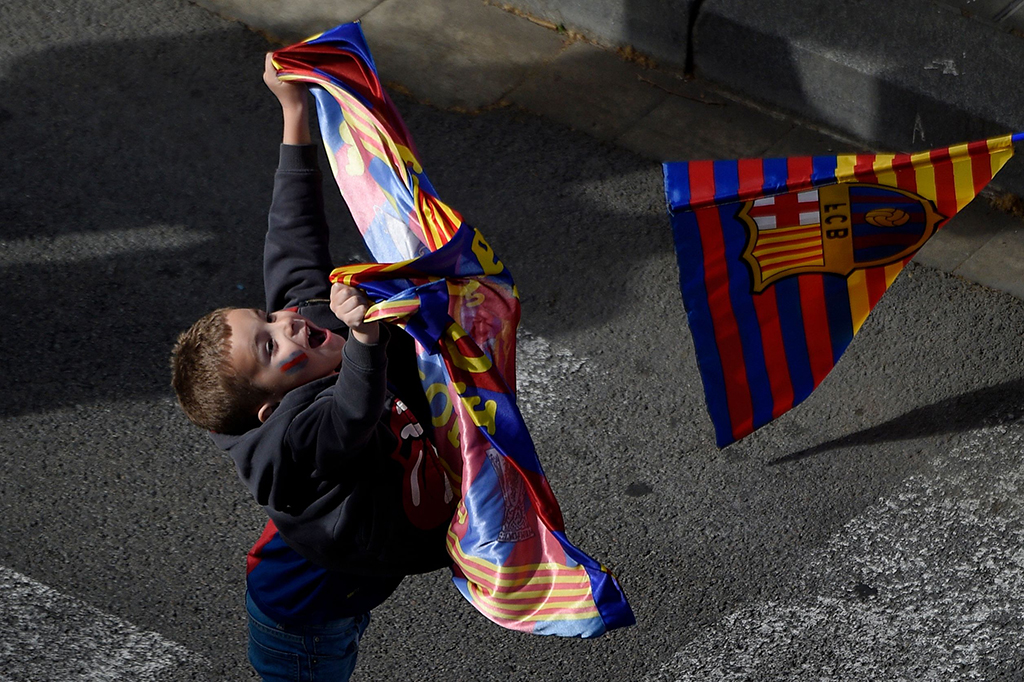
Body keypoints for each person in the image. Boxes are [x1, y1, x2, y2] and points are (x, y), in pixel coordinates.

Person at [170, 53, 458, 681]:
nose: (288, 323)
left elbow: (294, 235)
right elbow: (349, 418)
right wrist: (361, 338)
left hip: (345, 568)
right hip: (304, 623)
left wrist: (294, 112)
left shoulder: (304, 326)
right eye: (271, 346)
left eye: (264, 319)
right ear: (271, 406)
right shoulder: (300, 433)